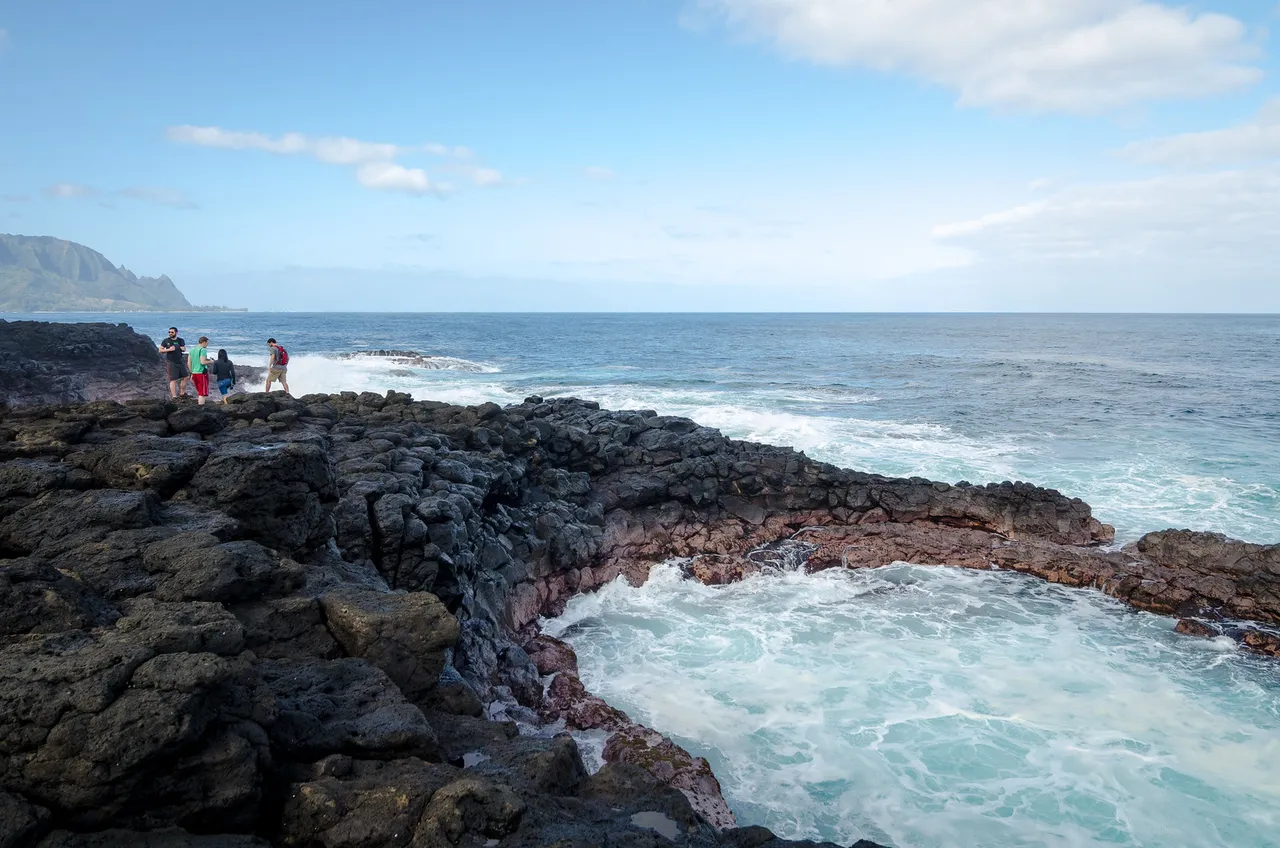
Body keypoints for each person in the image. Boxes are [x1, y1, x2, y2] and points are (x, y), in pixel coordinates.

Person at [157, 327, 188, 398]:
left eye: (172, 332)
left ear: (176, 332)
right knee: (173, 379)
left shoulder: (180, 340)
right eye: (169, 332)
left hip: (180, 361)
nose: (170, 333)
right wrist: (169, 349)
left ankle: (182, 393)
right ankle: (174, 396)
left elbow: (184, 349)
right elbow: (160, 350)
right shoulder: (166, 340)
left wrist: (181, 348)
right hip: (171, 362)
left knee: (186, 377)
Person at [188, 336, 214, 406]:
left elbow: (189, 363)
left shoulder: (192, 350)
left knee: (199, 392)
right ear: (204, 342)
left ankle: (200, 406)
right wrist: (211, 361)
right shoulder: (202, 350)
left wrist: (191, 373)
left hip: (194, 373)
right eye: (207, 343)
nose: (207, 345)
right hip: (201, 373)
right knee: (202, 393)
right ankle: (201, 408)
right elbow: (202, 362)